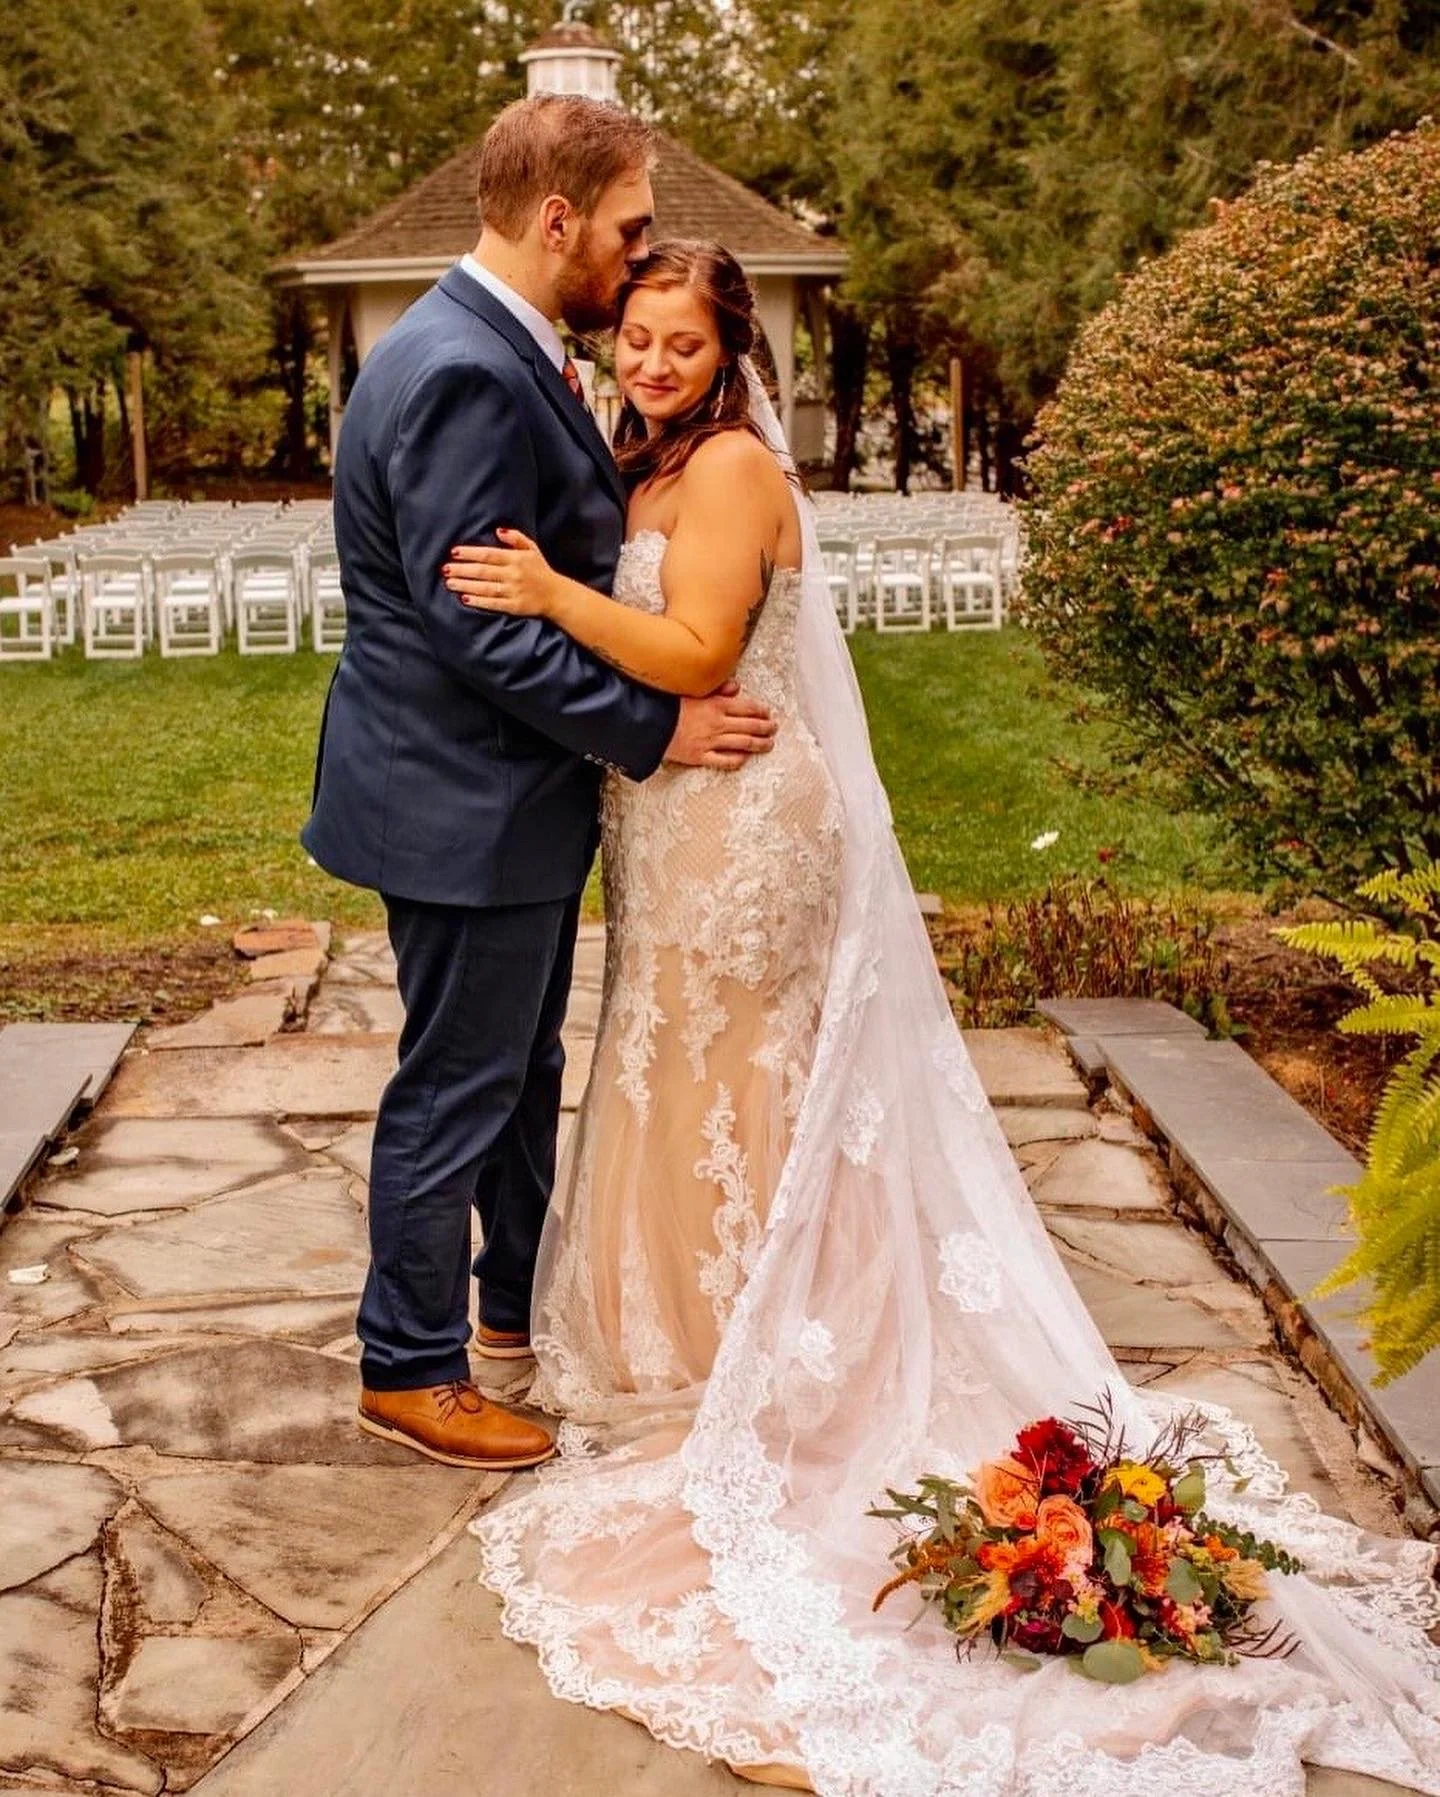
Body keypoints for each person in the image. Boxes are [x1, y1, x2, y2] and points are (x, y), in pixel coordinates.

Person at [450, 238, 1440, 1795]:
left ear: (733, 355)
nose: (649, 363)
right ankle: (704, 1343)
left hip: (744, 826)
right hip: (676, 814)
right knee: (684, 1073)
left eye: (680, 344)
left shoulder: (722, 482)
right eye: (634, 339)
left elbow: (703, 653)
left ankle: (768, 1359)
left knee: (735, 1084)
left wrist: (551, 594)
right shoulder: (653, 460)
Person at [301, 96, 777, 1476]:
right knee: (459, 1083)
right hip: (467, 800)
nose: (638, 259)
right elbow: (477, 623)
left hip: (483, 795)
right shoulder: (461, 366)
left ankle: (511, 1309)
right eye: (627, 229)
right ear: (557, 219)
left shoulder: (486, 345)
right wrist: (654, 729)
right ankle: (410, 1366)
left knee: (516, 1070)